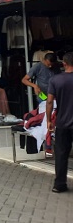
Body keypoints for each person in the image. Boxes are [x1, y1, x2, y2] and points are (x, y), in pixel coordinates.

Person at [46, 51, 73, 193]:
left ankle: (60, 184)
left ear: (64, 64)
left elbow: (49, 101)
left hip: (62, 123)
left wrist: (49, 120)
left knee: (61, 154)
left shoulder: (55, 80)